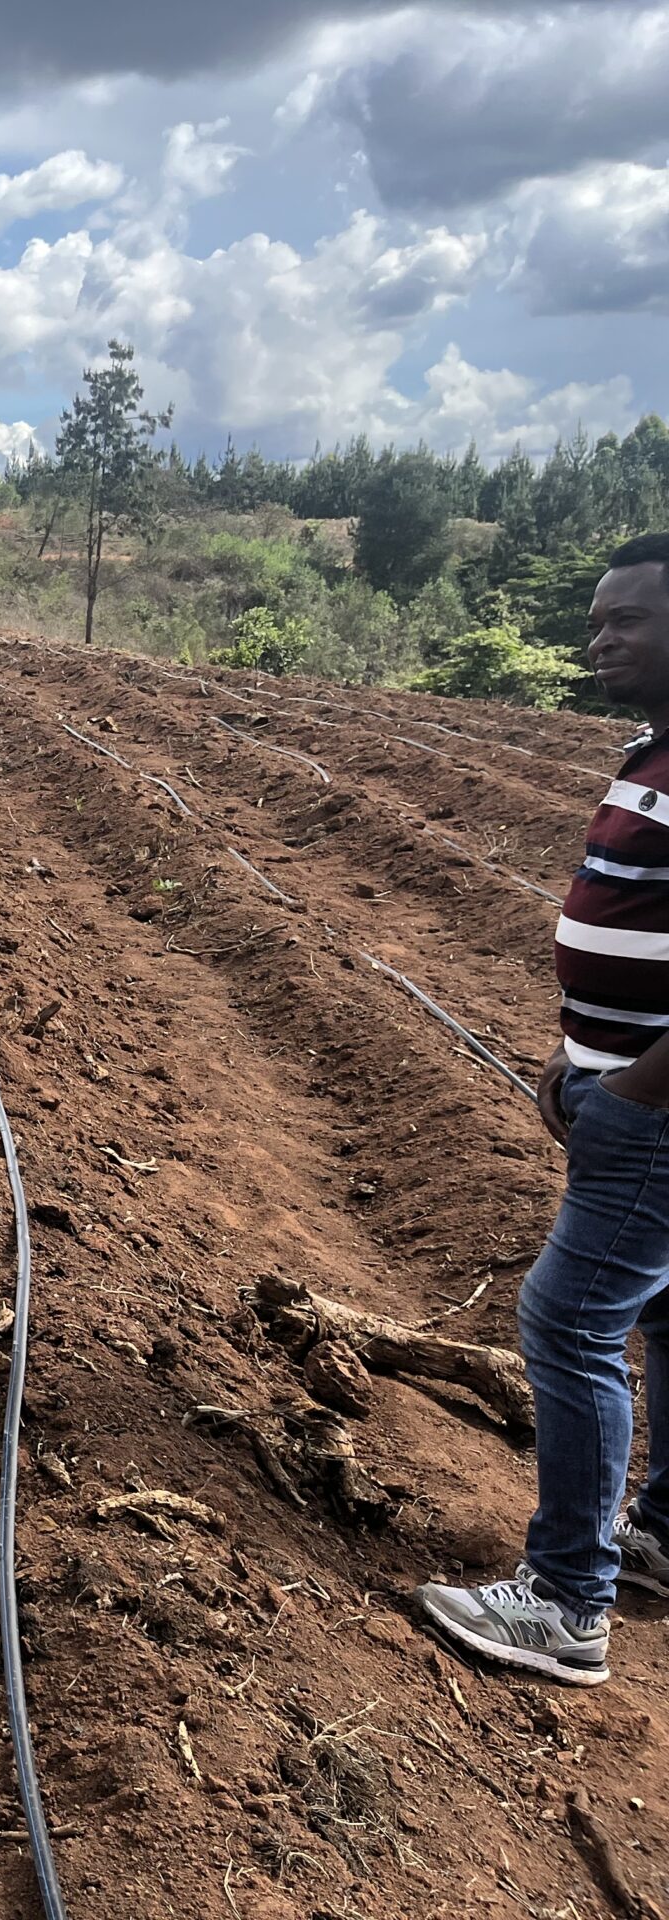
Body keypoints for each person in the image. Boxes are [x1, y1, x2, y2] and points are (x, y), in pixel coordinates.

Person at [416, 532, 669, 1686]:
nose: (597, 638)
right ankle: (659, 1534)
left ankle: (568, 1602)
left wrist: (627, 1094)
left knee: (568, 1321)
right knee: (662, 1314)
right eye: (596, 618)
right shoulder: (649, 752)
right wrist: (575, 1056)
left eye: (627, 621)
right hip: (618, 1088)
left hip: (650, 1118)